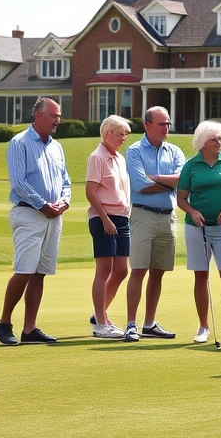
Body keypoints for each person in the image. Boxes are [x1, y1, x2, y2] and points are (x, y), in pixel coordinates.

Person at [0, 97, 70, 345]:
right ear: (38, 115)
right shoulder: (20, 143)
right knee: (25, 270)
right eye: (54, 115)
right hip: (28, 213)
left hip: (53, 217)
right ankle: (4, 322)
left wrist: (64, 202)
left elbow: (66, 182)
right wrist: (43, 205)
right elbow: (19, 182)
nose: (58, 120)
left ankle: (30, 329)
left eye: (59, 116)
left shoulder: (57, 147)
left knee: (40, 273)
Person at [177, 120, 221, 344]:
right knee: (201, 275)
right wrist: (193, 211)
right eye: (214, 139)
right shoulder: (191, 165)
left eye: (220, 138)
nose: (219, 142)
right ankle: (203, 327)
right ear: (202, 143)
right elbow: (181, 198)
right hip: (196, 226)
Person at [123, 106, 185, 342]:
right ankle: (131, 324)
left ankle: (149, 323)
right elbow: (140, 185)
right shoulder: (135, 150)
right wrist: (169, 183)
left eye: (168, 124)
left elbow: (182, 180)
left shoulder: (175, 151)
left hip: (168, 216)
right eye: (161, 124)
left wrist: (156, 178)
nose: (166, 128)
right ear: (147, 125)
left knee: (158, 272)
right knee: (138, 270)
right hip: (142, 215)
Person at [84, 115, 133, 339]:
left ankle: (99, 313)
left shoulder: (119, 158)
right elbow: (90, 191)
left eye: (126, 134)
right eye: (121, 133)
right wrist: (104, 218)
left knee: (122, 270)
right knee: (104, 270)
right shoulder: (97, 157)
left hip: (122, 219)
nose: (124, 137)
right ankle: (101, 323)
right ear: (108, 133)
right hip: (104, 218)